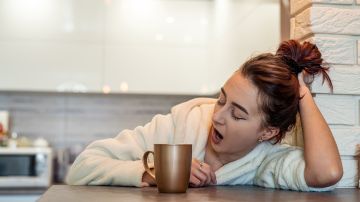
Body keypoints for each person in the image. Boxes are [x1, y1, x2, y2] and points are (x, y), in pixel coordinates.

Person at [66, 40, 343, 192]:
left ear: (267, 132)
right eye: (221, 99)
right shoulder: (183, 123)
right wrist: (155, 172)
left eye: (237, 114)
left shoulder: (264, 161)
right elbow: (82, 166)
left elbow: (327, 172)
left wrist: (302, 93)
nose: (218, 116)